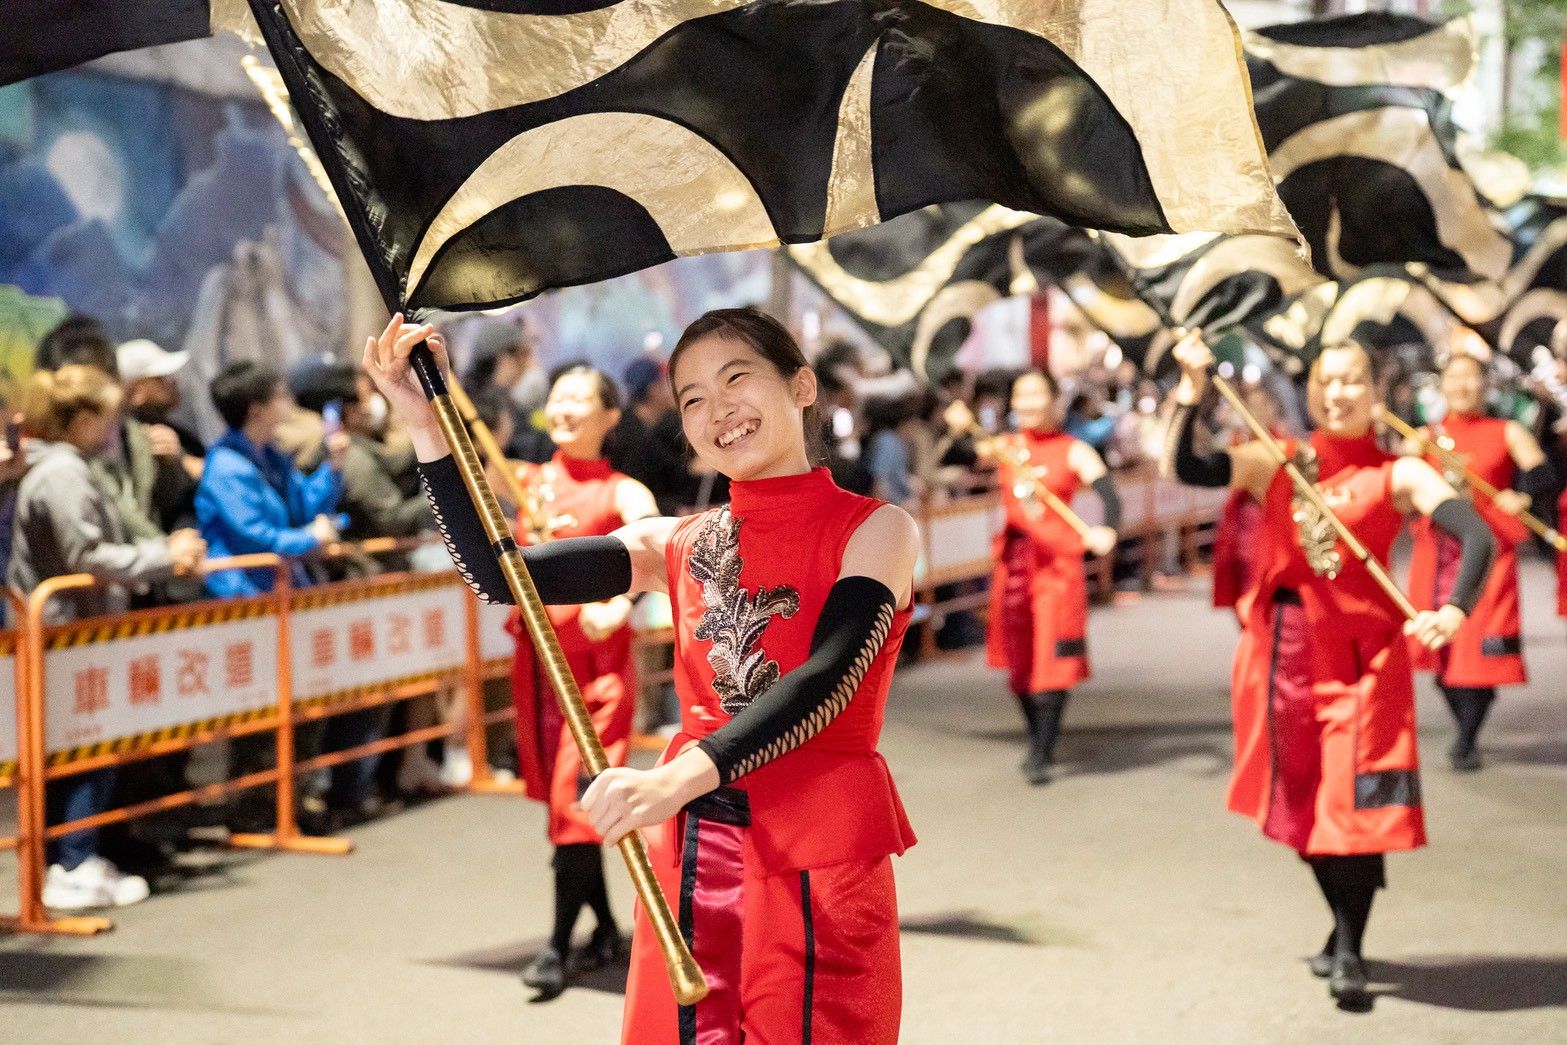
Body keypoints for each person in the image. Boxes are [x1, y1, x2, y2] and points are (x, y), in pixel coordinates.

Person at [367, 306, 920, 1043]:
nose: (717, 410)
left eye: (735, 380)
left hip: (816, 851)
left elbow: (828, 677)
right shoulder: (675, 541)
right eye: (692, 398)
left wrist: (673, 779)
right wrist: (424, 422)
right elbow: (499, 576)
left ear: (801, 385)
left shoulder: (876, 528)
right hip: (698, 851)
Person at [1168, 333, 1495, 1008]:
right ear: (1311, 388)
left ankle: (1349, 946)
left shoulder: (1398, 471)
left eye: (1352, 380)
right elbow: (1189, 466)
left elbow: (1477, 533)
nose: (1338, 391)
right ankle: (1340, 925)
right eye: (1327, 379)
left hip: (1364, 662)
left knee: (1355, 808)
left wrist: (1455, 609)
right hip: (1284, 654)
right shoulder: (1274, 458)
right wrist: (1191, 389)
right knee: (1300, 804)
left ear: (1377, 393)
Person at [8, 366, 206, 910]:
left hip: (71, 631)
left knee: (83, 746)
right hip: (70, 633)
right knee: (86, 747)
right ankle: (73, 861)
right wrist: (166, 556)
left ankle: (73, 859)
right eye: (110, 419)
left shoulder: (58, 468)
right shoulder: (64, 474)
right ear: (84, 419)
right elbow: (86, 556)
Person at [506, 363, 659, 998]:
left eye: (579, 399)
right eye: (557, 396)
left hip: (596, 676)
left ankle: (556, 947)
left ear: (609, 417)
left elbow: (655, 555)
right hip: (539, 666)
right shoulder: (523, 482)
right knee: (565, 808)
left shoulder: (624, 492)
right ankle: (604, 929)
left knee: (577, 802)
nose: (564, 408)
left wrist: (620, 603)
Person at [963, 371, 1121, 784]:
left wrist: (1108, 529)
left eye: (1036, 395)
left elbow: (1109, 494)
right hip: (1014, 566)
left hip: (1056, 568)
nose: (1027, 405)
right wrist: (956, 424)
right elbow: (958, 454)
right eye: (1020, 397)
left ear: (1055, 400)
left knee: (1052, 658)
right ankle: (1036, 732)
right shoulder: (1005, 446)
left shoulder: (1074, 450)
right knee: (1018, 659)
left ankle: (1042, 748)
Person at [1405, 353, 1552, 772]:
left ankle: (1466, 739)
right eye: (1454, 378)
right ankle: (1465, 731)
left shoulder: (1507, 432)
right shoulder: (1424, 436)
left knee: (1479, 654)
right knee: (1442, 653)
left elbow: (1543, 475)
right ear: (1442, 386)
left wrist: (1521, 496)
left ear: (1485, 385)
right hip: (1435, 555)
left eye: (1470, 379)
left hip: (1488, 554)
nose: (1462, 386)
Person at [196, 360, 347, 598]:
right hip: (242, 597)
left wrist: (333, 466)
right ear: (255, 408)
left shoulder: (272, 455)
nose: (289, 401)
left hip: (282, 589)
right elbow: (255, 539)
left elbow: (303, 506)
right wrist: (311, 537)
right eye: (281, 395)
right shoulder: (225, 468)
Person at [466, 318, 553, 464]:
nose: (528, 363)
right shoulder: (481, 403)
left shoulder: (497, 398)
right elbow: (507, 443)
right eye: (524, 353)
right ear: (505, 358)